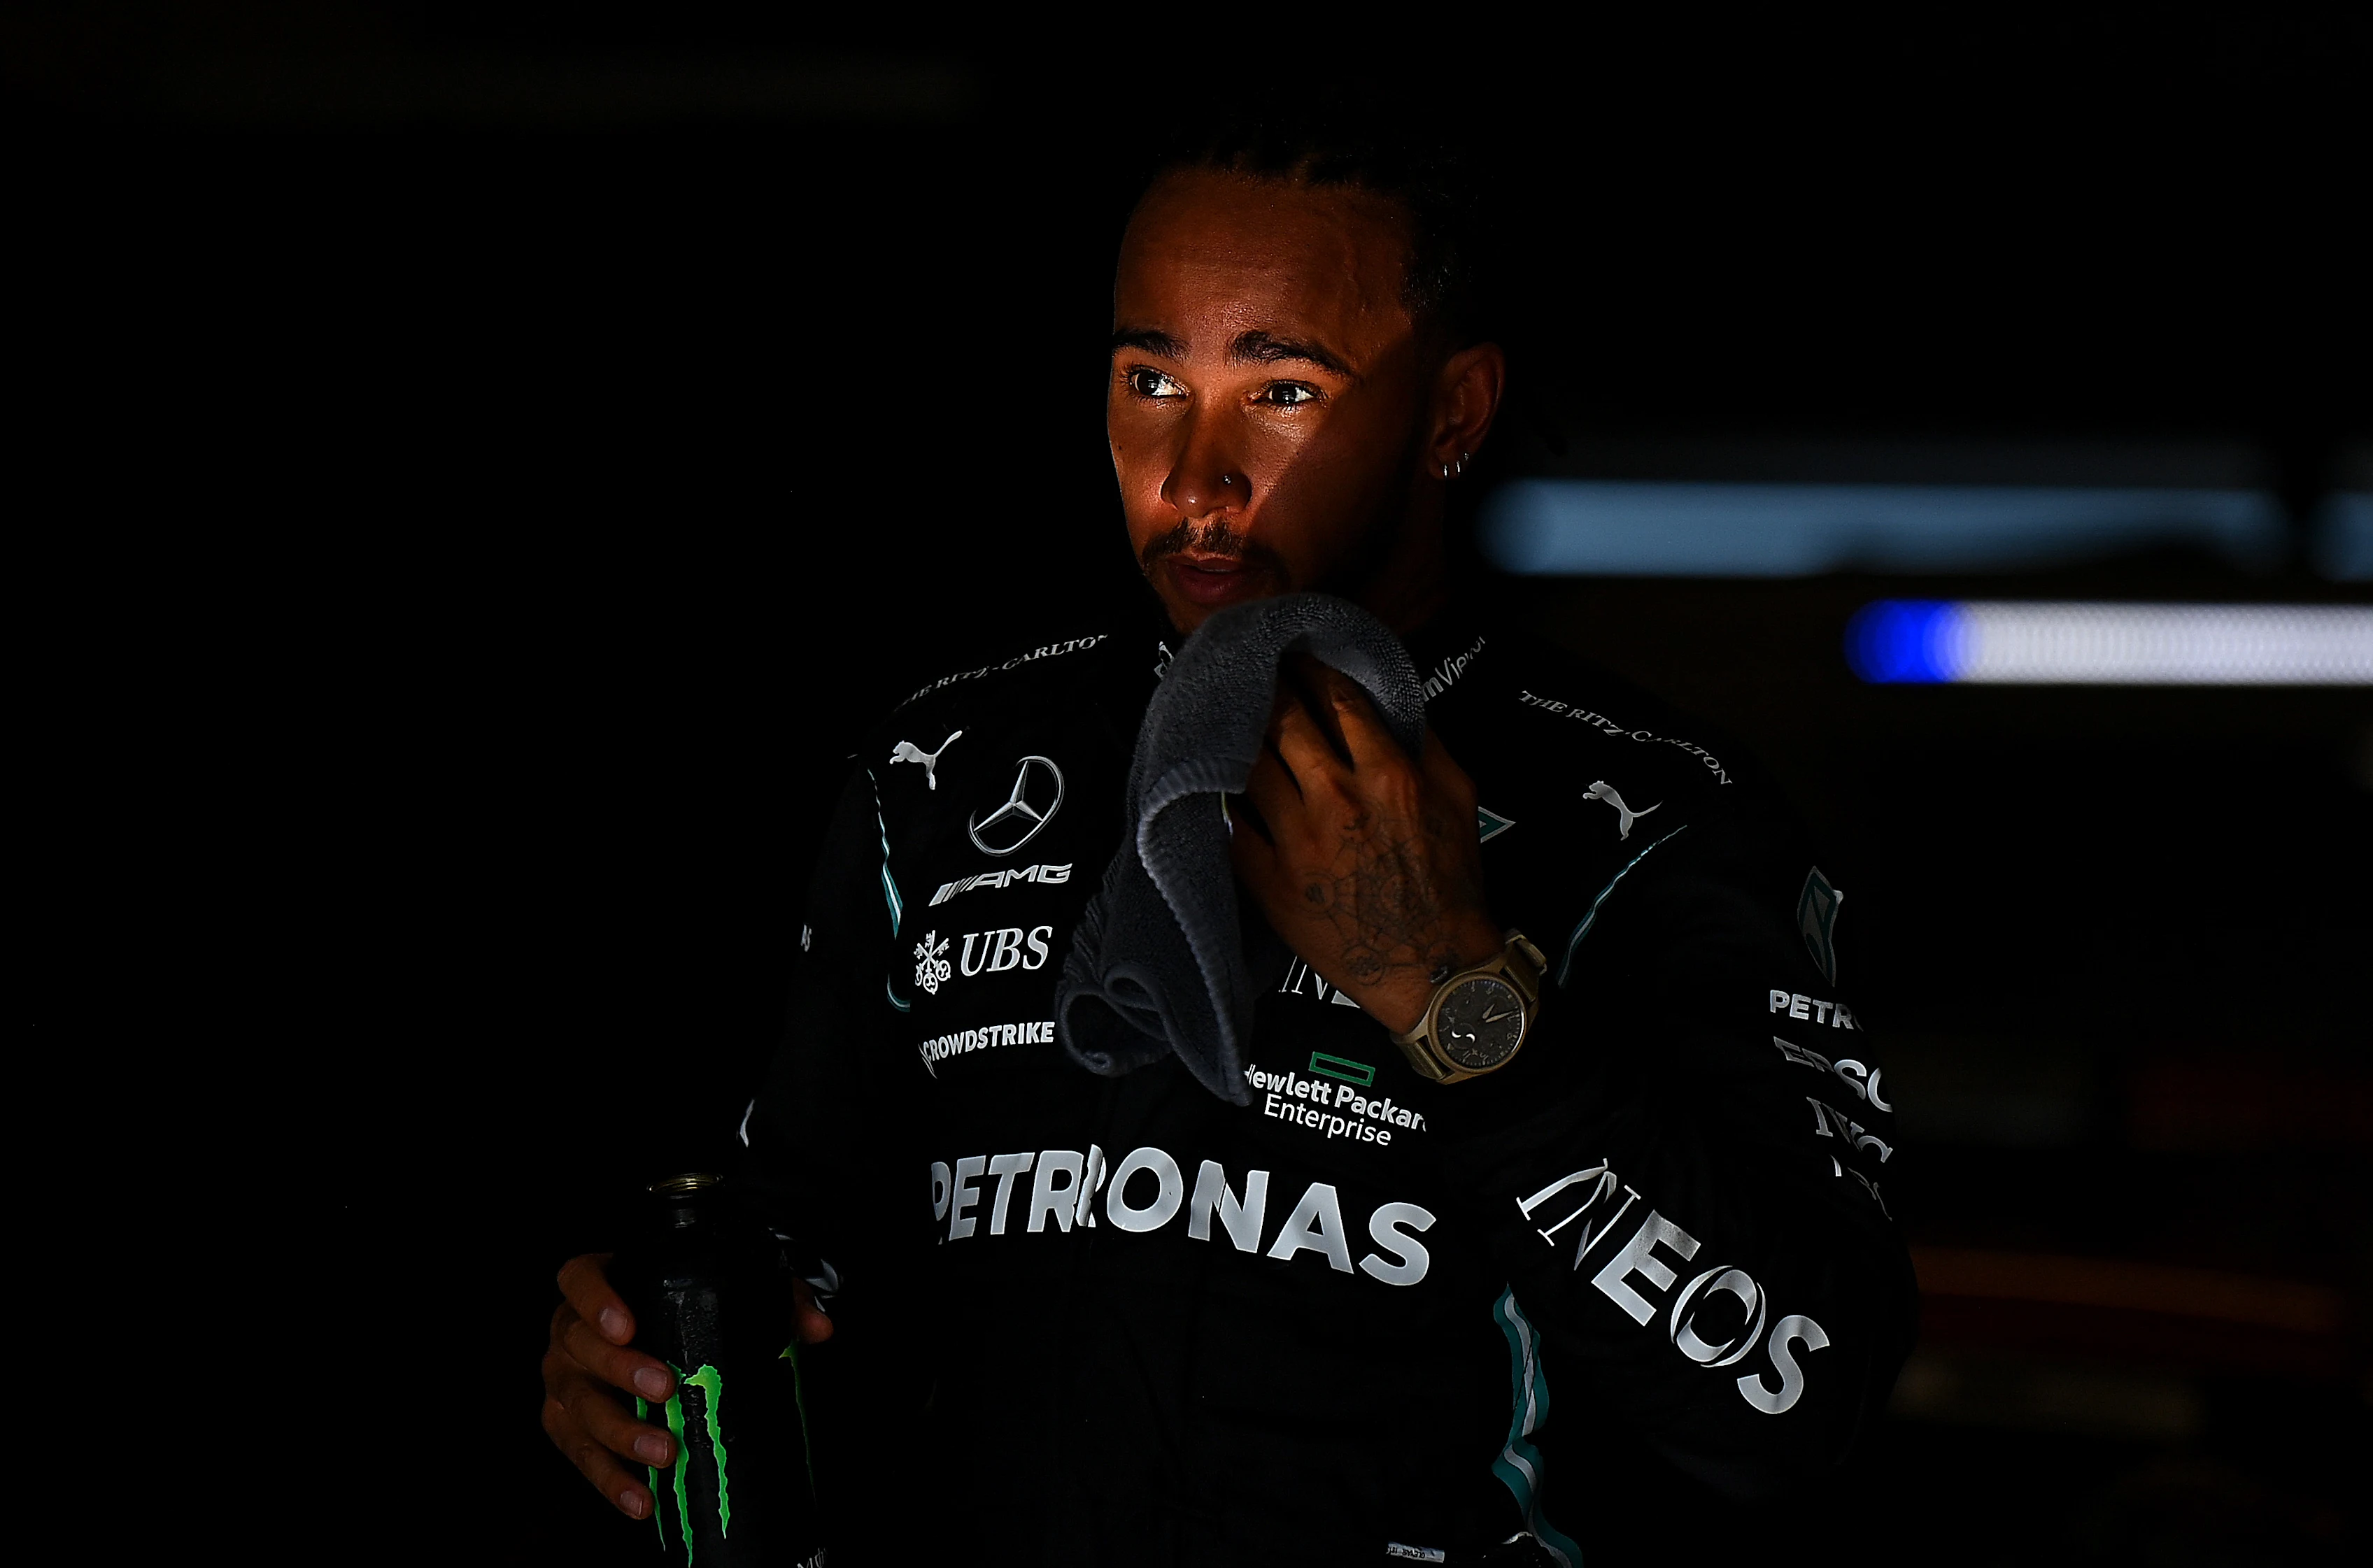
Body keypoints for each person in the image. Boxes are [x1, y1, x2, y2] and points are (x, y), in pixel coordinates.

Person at [541, 111, 1915, 1567]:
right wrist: (636, 1349)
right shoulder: (941, 772)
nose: (1194, 474)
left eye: (1282, 390)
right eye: (1151, 380)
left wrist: (1454, 995)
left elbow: (1793, 1396)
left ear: (1451, 415)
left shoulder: (1655, 824)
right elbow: (801, 1237)